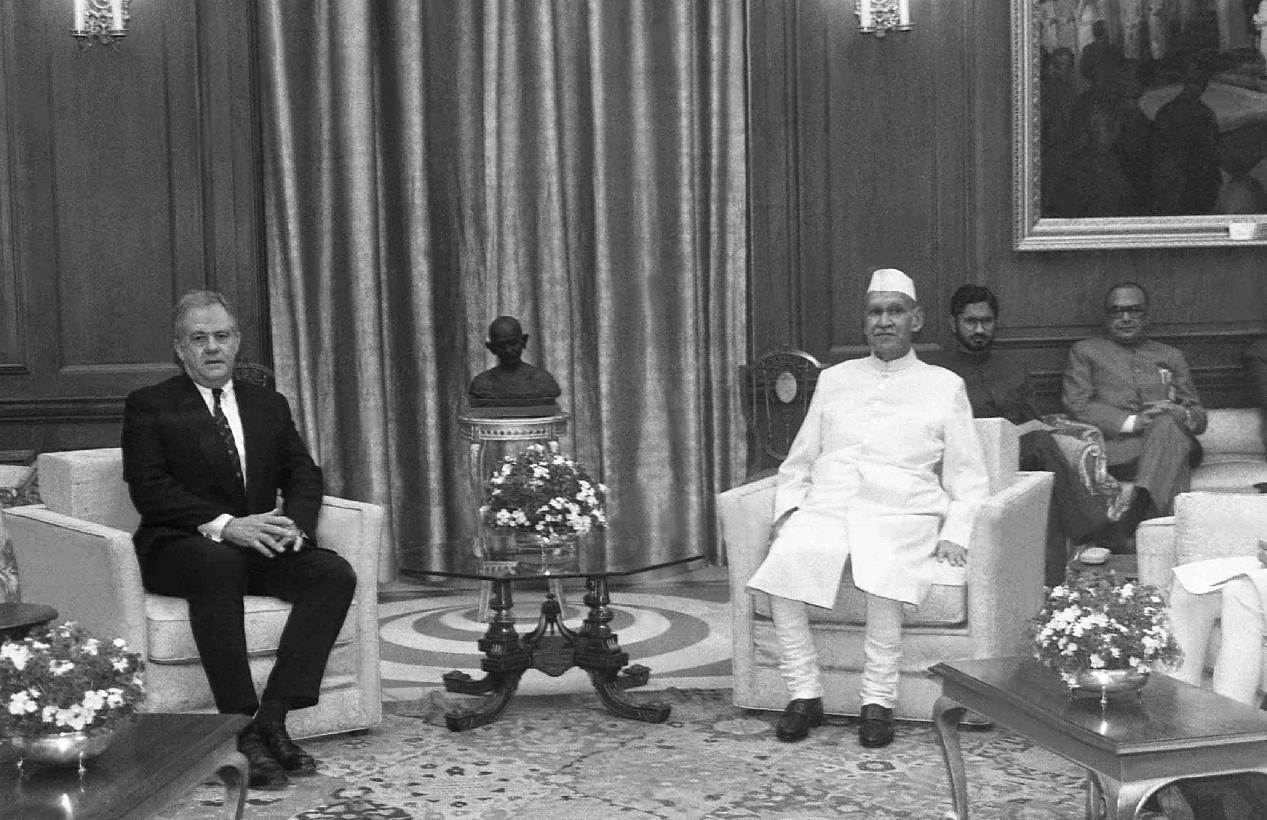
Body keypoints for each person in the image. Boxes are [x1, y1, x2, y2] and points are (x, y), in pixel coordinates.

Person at [121, 290, 357, 790]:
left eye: (221, 336)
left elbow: (303, 474)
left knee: (332, 573)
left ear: (237, 342)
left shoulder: (267, 404)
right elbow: (150, 489)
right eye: (198, 338)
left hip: (257, 543)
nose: (212, 348)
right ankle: (240, 727)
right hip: (179, 546)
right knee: (220, 564)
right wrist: (227, 525)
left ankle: (273, 716)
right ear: (180, 348)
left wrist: (295, 526)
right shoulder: (150, 405)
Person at [745, 268, 988, 747]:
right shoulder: (835, 380)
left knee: (884, 574)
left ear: (916, 319)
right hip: (830, 506)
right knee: (784, 563)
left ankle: (877, 701)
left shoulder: (944, 385)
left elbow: (969, 477)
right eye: (875, 312)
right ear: (864, 322)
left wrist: (955, 533)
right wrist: (788, 511)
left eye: (895, 311)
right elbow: (800, 460)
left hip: (904, 512)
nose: (884, 321)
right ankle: (804, 693)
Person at [925, 286, 1108, 585]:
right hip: (966, 462)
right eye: (971, 321)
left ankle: (1052, 578)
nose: (979, 329)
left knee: (1042, 469)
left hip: (1018, 456)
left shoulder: (1013, 368)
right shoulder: (938, 375)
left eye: (986, 321)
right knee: (1041, 446)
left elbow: (1032, 420)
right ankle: (1093, 531)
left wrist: (1022, 432)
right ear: (953, 324)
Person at [1061, 282, 1206, 552]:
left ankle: (1130, 522)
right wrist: (1134, 422)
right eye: (1117, 312)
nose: (1125, 318)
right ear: (1106, 317)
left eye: (1134, 311)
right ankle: (1158, 530)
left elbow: (1198, 417)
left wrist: (1182, 413)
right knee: (1170, 443)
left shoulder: (1170, 355)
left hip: (1176, 437)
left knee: (1166, 424)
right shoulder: (1085, 351)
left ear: (1147, 316)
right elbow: (1076, 404)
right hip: (1123, 450)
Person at [467, 315, 562, 414]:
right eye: (501, 345)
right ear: (492, 348)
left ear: (524, 341)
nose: (508, 350)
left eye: (513, 343)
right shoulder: (481, 383)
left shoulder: (542, 380)